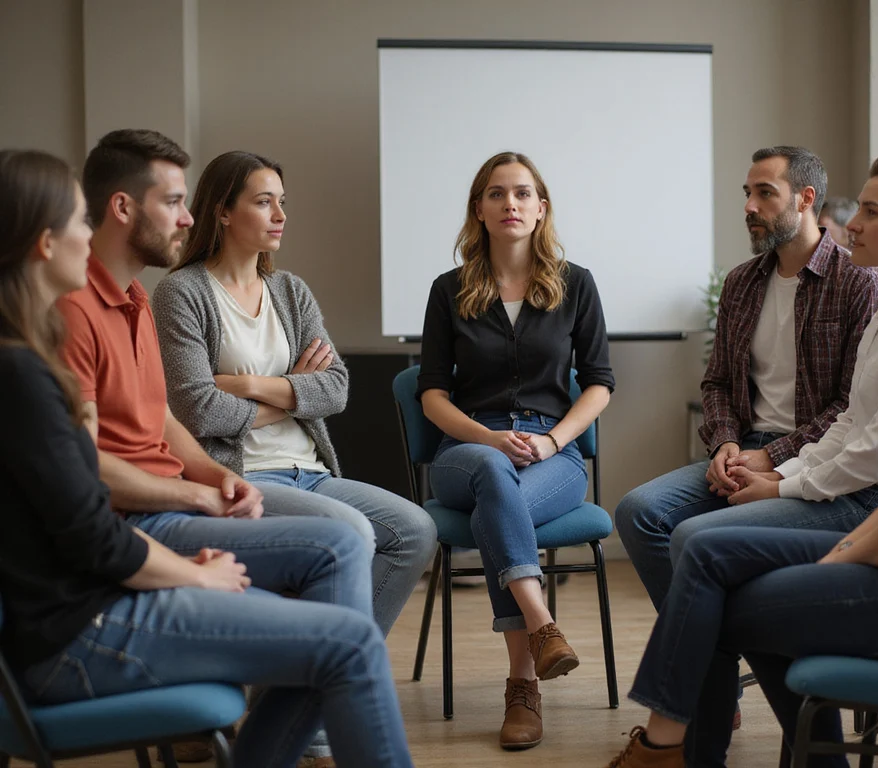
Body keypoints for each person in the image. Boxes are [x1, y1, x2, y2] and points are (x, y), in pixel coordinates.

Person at [602, 145, 878, 768]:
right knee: (700, 559)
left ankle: (672, 751)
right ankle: (703, 752)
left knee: (712, 576)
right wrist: (769, 469)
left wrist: (832, 549)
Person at [0, 148, 413, 768]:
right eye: (78, 220)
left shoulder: (66, 339)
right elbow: (92, 531)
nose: (89, 234)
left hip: (95, 597)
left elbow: (322, 391)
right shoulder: (23, 372)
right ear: (43, 242)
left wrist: (210, 486)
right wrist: (194, 571)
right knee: (349, 638)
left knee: (347, 612)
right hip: (79, 630)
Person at [152, 150, 436, 638]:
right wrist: (292, 393)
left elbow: (336, 388)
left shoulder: (289, 291)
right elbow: (198, 411)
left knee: (415, 530)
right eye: (264, 202)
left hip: (313, 472)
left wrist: (245, 385)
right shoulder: (182, 293)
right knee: (351, 531)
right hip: (248, 475)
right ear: (223, 211)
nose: (280, 215)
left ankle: (336, 657)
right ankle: (335, 662)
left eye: (282, 202)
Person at [616, 146, 878, 612]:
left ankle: (704, 642)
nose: (749, 206)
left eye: (765, 193)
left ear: (805, 199)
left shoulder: (859, 282)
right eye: (747, 193)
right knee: (638, 512)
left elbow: (851, 404)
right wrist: (725, 443)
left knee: (694, 536)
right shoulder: (741, 282)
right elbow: (718, 382)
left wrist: (771, 457)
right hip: (743, 449)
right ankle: (711, 647)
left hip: (812, 459)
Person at [417, 151, 615, 750]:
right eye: (497, 193)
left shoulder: (576, 284)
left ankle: (524, 685)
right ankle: (541, 628)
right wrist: (488, 439)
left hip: (553, 454)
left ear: (541, 208)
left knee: (498, 510)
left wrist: (554, 440)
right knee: (491, 473)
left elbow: (599, 383)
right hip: (468, 449)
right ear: (478, 209)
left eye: (523, 193)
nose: (511, 203)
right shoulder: (447, 290)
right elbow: (431, 395)